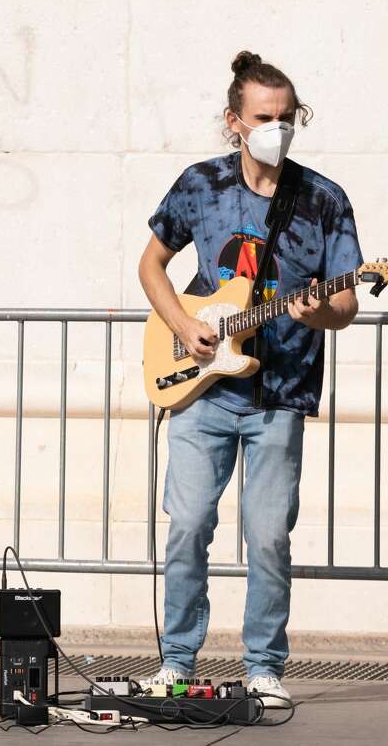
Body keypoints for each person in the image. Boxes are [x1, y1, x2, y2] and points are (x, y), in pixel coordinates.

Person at [136, 51, 364, 708]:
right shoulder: (199, 185)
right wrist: (181, 322)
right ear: (236, 122)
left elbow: (344, 305)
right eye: (266, 118)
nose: (279, 128)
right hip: (202, 386)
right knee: (187, 526)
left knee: (267, 534)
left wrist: (317, 307)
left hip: (281, 392)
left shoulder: (323, 198)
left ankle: (263, 665)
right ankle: (177, 660)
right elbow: (152, 265)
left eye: (288, 118)